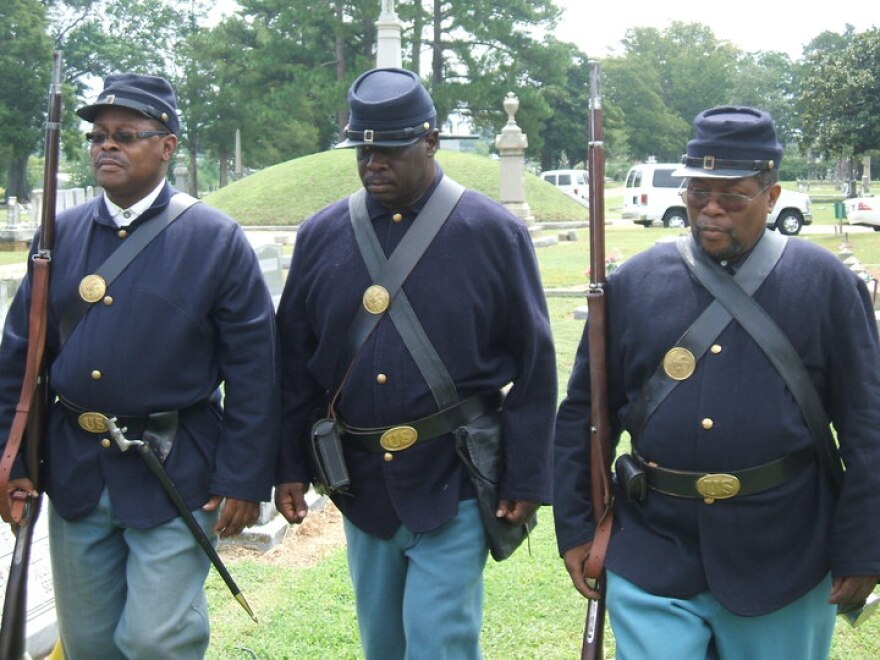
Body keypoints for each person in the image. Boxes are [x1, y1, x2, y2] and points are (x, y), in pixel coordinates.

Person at [553, 106, 880, 658]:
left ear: (772, 197)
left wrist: (864, 546)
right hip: (653, 547)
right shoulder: (632, 284)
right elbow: (585, 415)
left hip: (785, 549)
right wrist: (577, 526)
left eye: (732, 196)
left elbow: (866, 425)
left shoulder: (825, 285)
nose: (709, 210)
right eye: (696, 192)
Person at [274, 67, 557, 658]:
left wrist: (526, 475)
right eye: (364, 150)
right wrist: (288, 465)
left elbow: (534, 365)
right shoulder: (322, 234)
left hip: (452, 472)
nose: (373, 164)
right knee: (382, 643)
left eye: (391, 150)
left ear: (430, 141)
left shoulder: (493, 232)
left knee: (440, 642)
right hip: (360, 479)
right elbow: (294, 364)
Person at [0, 73, 280, 658]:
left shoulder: (215, 239)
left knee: (157, 640)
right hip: (75, 468)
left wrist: (244, 477)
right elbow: (20, 358)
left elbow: (255, 369)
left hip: (176, 471)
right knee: (90, 644)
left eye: (125, 134)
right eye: (98, 135)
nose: (107, 145)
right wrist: (10, 454)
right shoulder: (60, 232)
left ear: (168, 145)